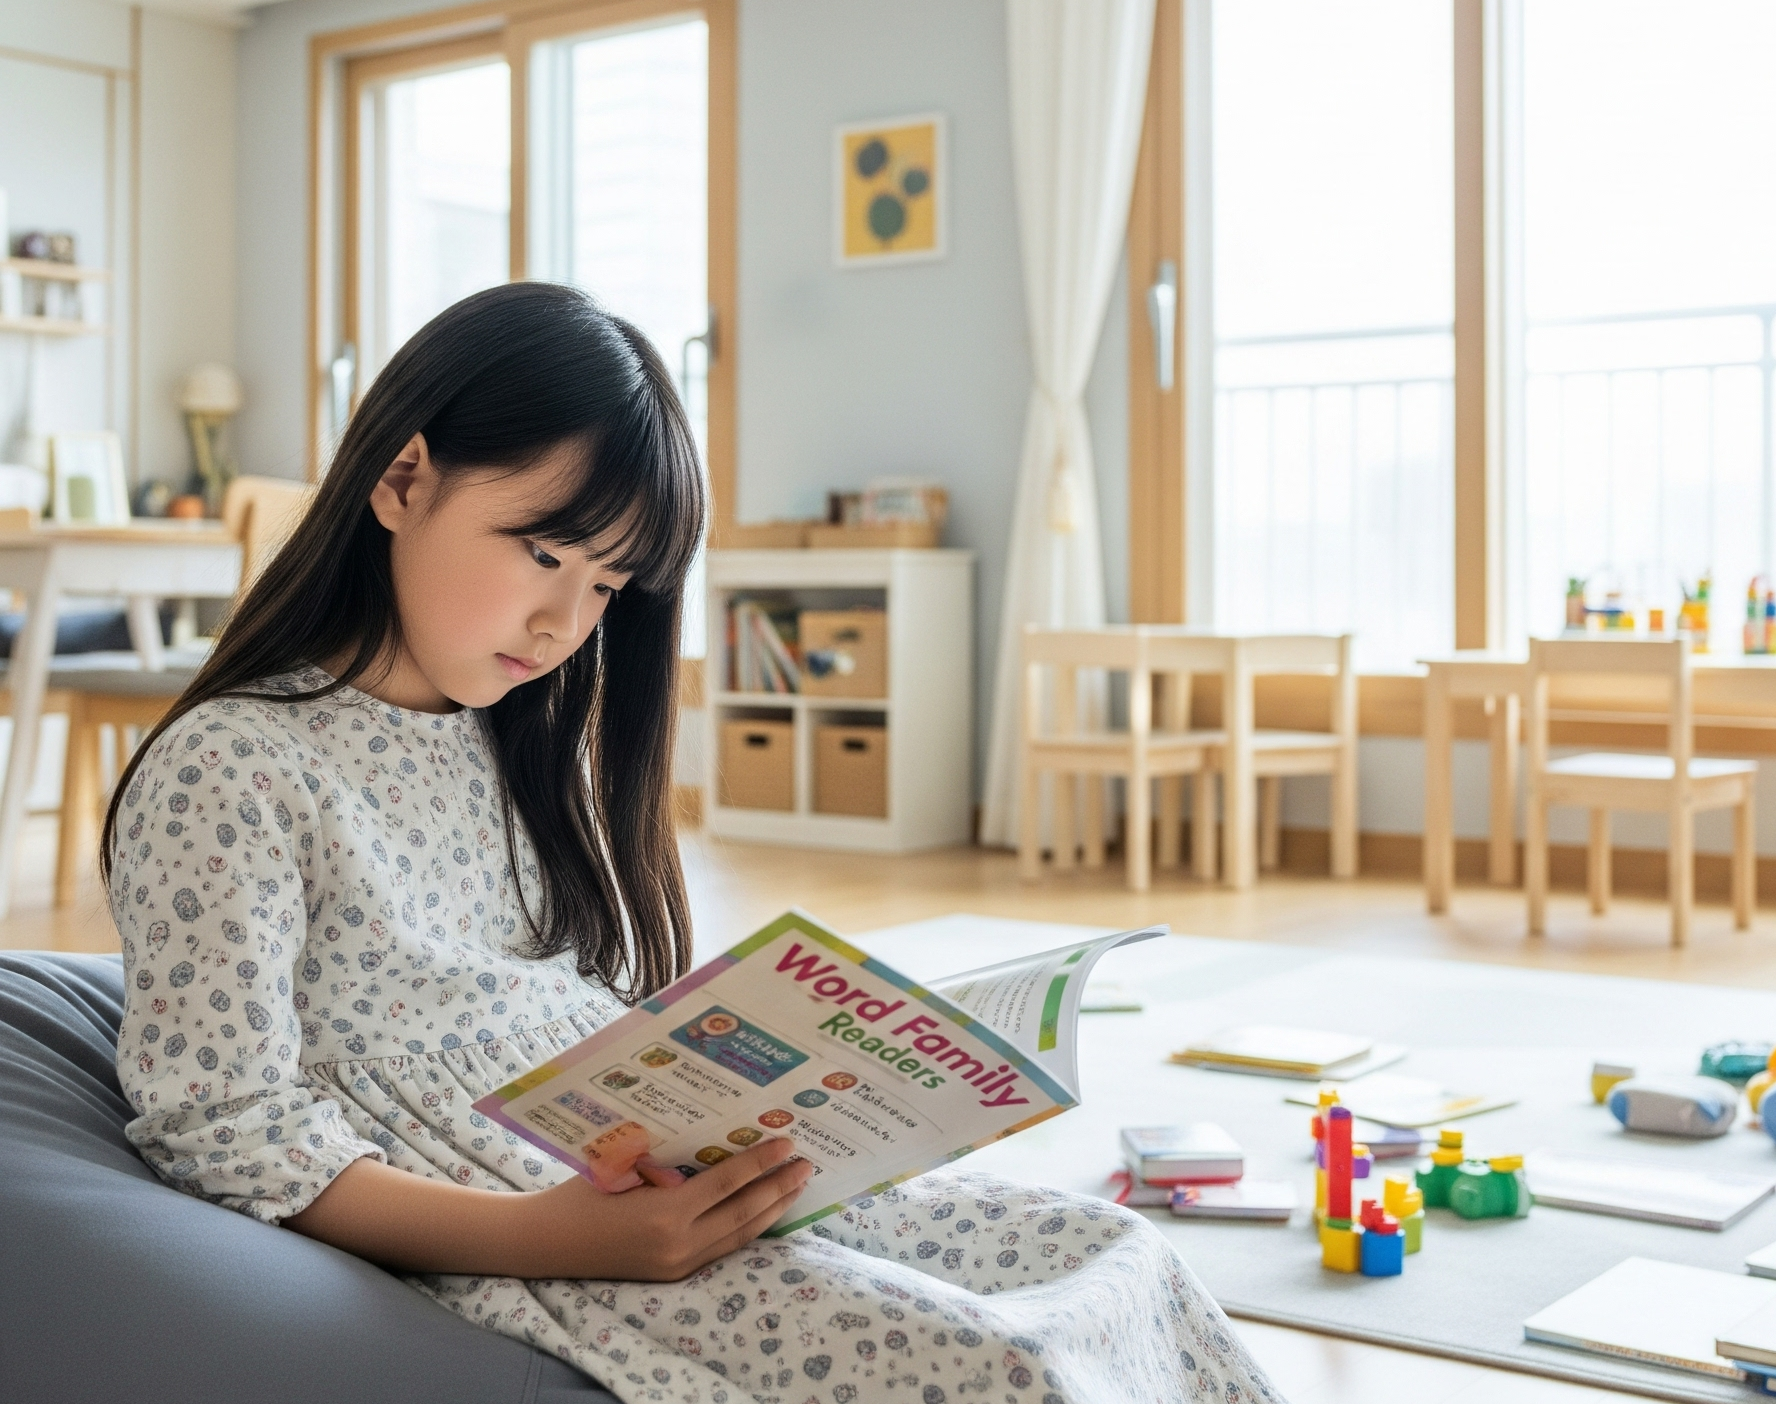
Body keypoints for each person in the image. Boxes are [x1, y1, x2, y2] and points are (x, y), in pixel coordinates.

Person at [103, 283, 1274, 1404]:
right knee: (991, 1360)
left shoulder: (496, 736)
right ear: (404, 477)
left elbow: (565, 985)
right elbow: (224, 1125)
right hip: (513, 1203)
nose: (566, 622)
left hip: (631, 1152)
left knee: (1113, 1251)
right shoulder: (235, 765)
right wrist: (544, 1235)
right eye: (546, 551)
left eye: (608, 583)